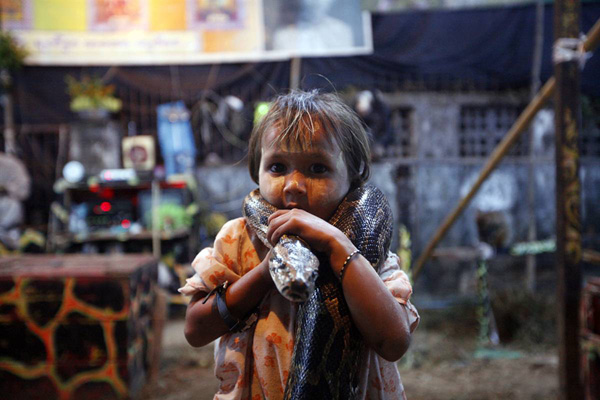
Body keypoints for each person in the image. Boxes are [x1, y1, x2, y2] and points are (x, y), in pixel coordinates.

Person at [180, 89, 419, 399]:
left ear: (353, 177)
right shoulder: (238, 239)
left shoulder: (362, 247)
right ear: (256, 171)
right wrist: (268, 270)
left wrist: (338, 245)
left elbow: (394, 343)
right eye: (277, 167)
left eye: (318, 168)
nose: (293, 185)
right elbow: (195, 330)